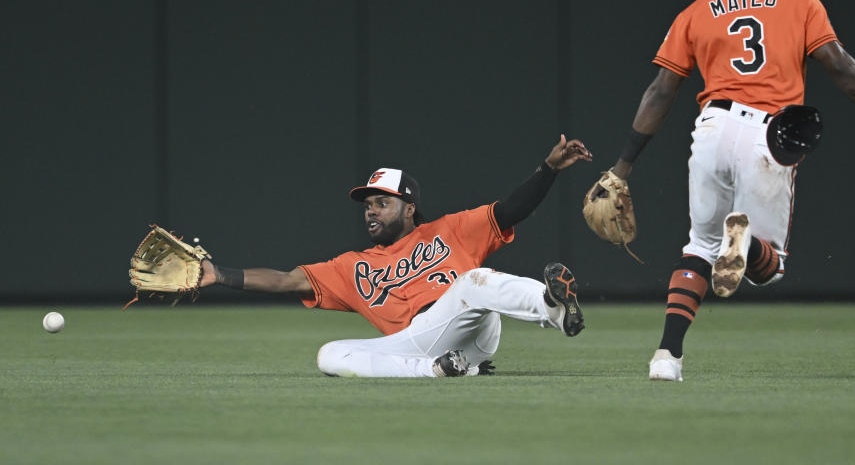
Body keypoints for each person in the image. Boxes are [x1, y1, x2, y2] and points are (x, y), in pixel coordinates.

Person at [599, 0, 855, 382]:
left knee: (699, 245)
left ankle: (666, 358)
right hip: (767, 133)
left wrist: (622, 167)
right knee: (768, 269)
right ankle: (748, 241)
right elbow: (838, 65)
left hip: (712, 126)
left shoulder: (697, 8)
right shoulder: (801, 2)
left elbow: (660, 91)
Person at [199, 135, 593, 377]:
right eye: (367, 204)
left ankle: (553, 309)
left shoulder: (450, 229)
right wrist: (220, 274)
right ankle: (440, 371)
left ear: (408, 208)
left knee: (477, 280)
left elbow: (510, 211)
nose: (371, 210)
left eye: (381, 203)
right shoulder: (352, 266)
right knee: (330, 355)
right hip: (419, 343)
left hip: (472, 327)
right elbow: (285, 280)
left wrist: (547, 170)